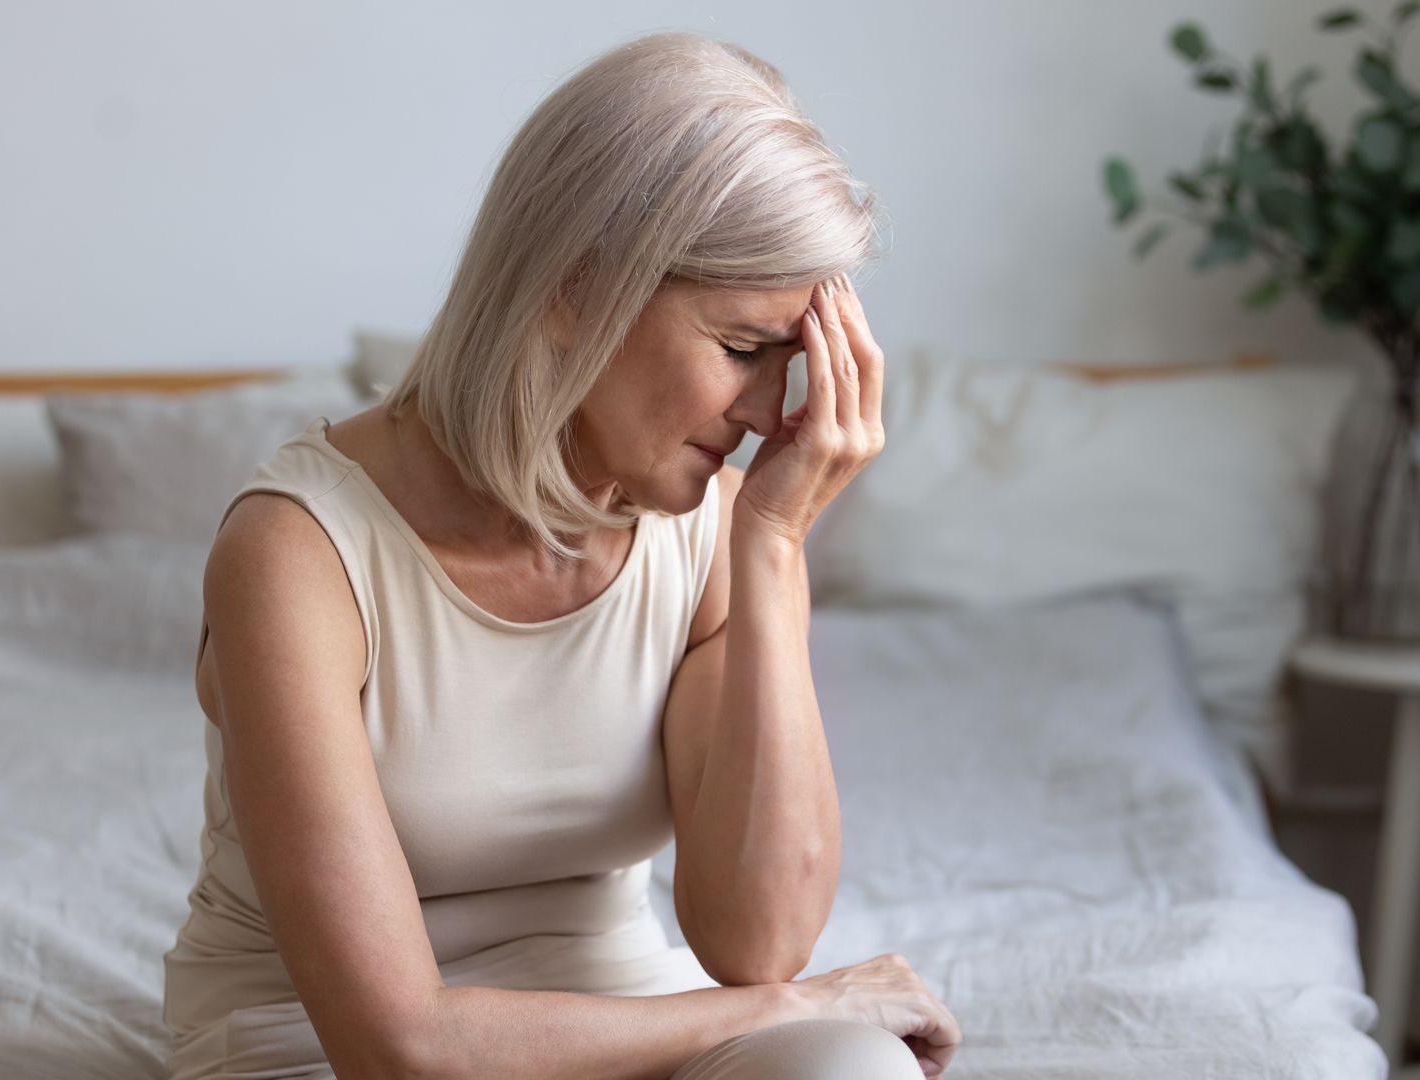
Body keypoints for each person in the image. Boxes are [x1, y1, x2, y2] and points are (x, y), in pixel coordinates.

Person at [159, 28, 958, 1080]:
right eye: (741, 349)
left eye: (792, 360)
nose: (774, 413)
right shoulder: (298, 551)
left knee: (850, 1072)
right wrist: (799, 1004)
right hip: (323, 1049)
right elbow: (399, 1044)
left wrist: (770, 548)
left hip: (625, 1017)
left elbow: (757, 945)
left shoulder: (714, 530)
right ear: (577, 288)